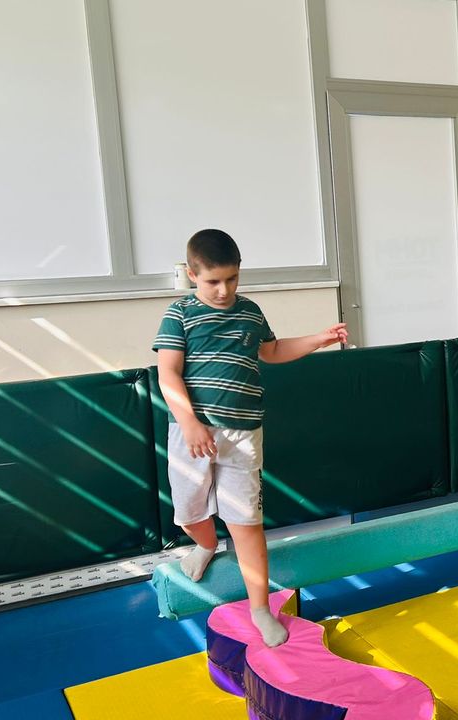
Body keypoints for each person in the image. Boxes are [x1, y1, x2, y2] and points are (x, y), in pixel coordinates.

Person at [153, 229, 348, 647]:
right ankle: (206, 545)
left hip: (243, 434)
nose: (224, 290)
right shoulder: (180, 314)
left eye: (232, 279)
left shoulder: (249, 312)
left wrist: (319, 338)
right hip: (192, 432)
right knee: (189, 515)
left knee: (247, 523)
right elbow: (168, 372)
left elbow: (272, 351)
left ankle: (260, 608)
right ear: (192, 275)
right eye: (213, 281)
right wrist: (189, 422)